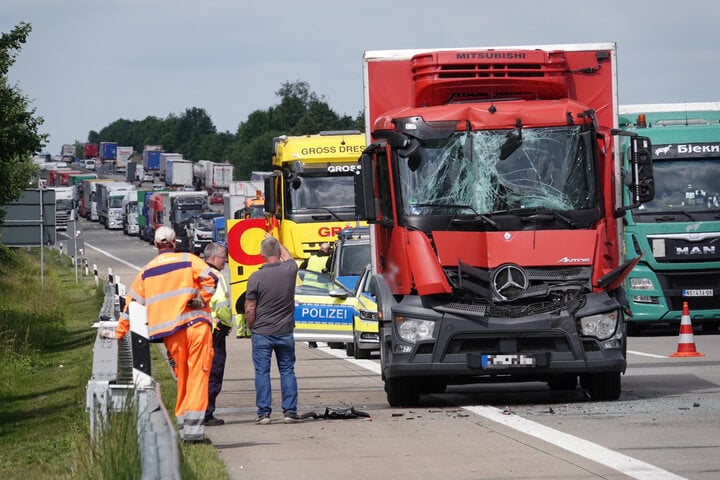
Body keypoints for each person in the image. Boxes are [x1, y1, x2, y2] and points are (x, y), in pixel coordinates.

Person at [109, 226, 218, 444]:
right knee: (198, 375)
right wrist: (202, 299)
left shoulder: (146, 272)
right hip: (196, 326)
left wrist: (119, 332)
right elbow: (211, 279)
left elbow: (131, 307)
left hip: (171, 334)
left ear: (156, 245)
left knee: (183, 379)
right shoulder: (188, 260)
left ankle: (183, 428)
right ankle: (194, 433)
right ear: (174, 242)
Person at [245, 234, 301, 424]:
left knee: (262, 372)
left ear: (261, 255)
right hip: (285, 330)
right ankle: (290, 412)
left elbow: (250, 307)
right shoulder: (290, 270)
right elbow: (290, 257)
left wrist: (252, 325)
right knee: (287, 370)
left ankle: (264, 413)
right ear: (278, 252)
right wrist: (278, 242)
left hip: (262, 331)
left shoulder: (256, 277)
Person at [203, 242, 232, 427]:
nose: (226, 261)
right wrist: (228, 324)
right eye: (223, 257)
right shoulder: (216, 276)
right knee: (215, 372)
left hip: (202, 330)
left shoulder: (200, 272)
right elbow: (221, 306)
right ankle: (207, 412)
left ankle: (201, 410)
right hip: (216, 331)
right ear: (213, 258)